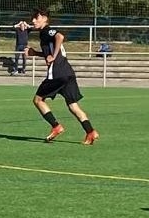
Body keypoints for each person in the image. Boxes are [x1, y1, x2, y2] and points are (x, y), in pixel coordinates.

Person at [28, 8, 97, 145]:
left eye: (36, 18)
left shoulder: (46, 30)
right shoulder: (44, 34)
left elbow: (60, 37)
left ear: (44, 18)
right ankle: (90, 132)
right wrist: (36, 53)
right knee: (73, 106)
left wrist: (53, 56)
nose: (33, 20)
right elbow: (50, 52)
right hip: (68, 73)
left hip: (57, 73)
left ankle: (56, 126)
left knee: (38, 100)